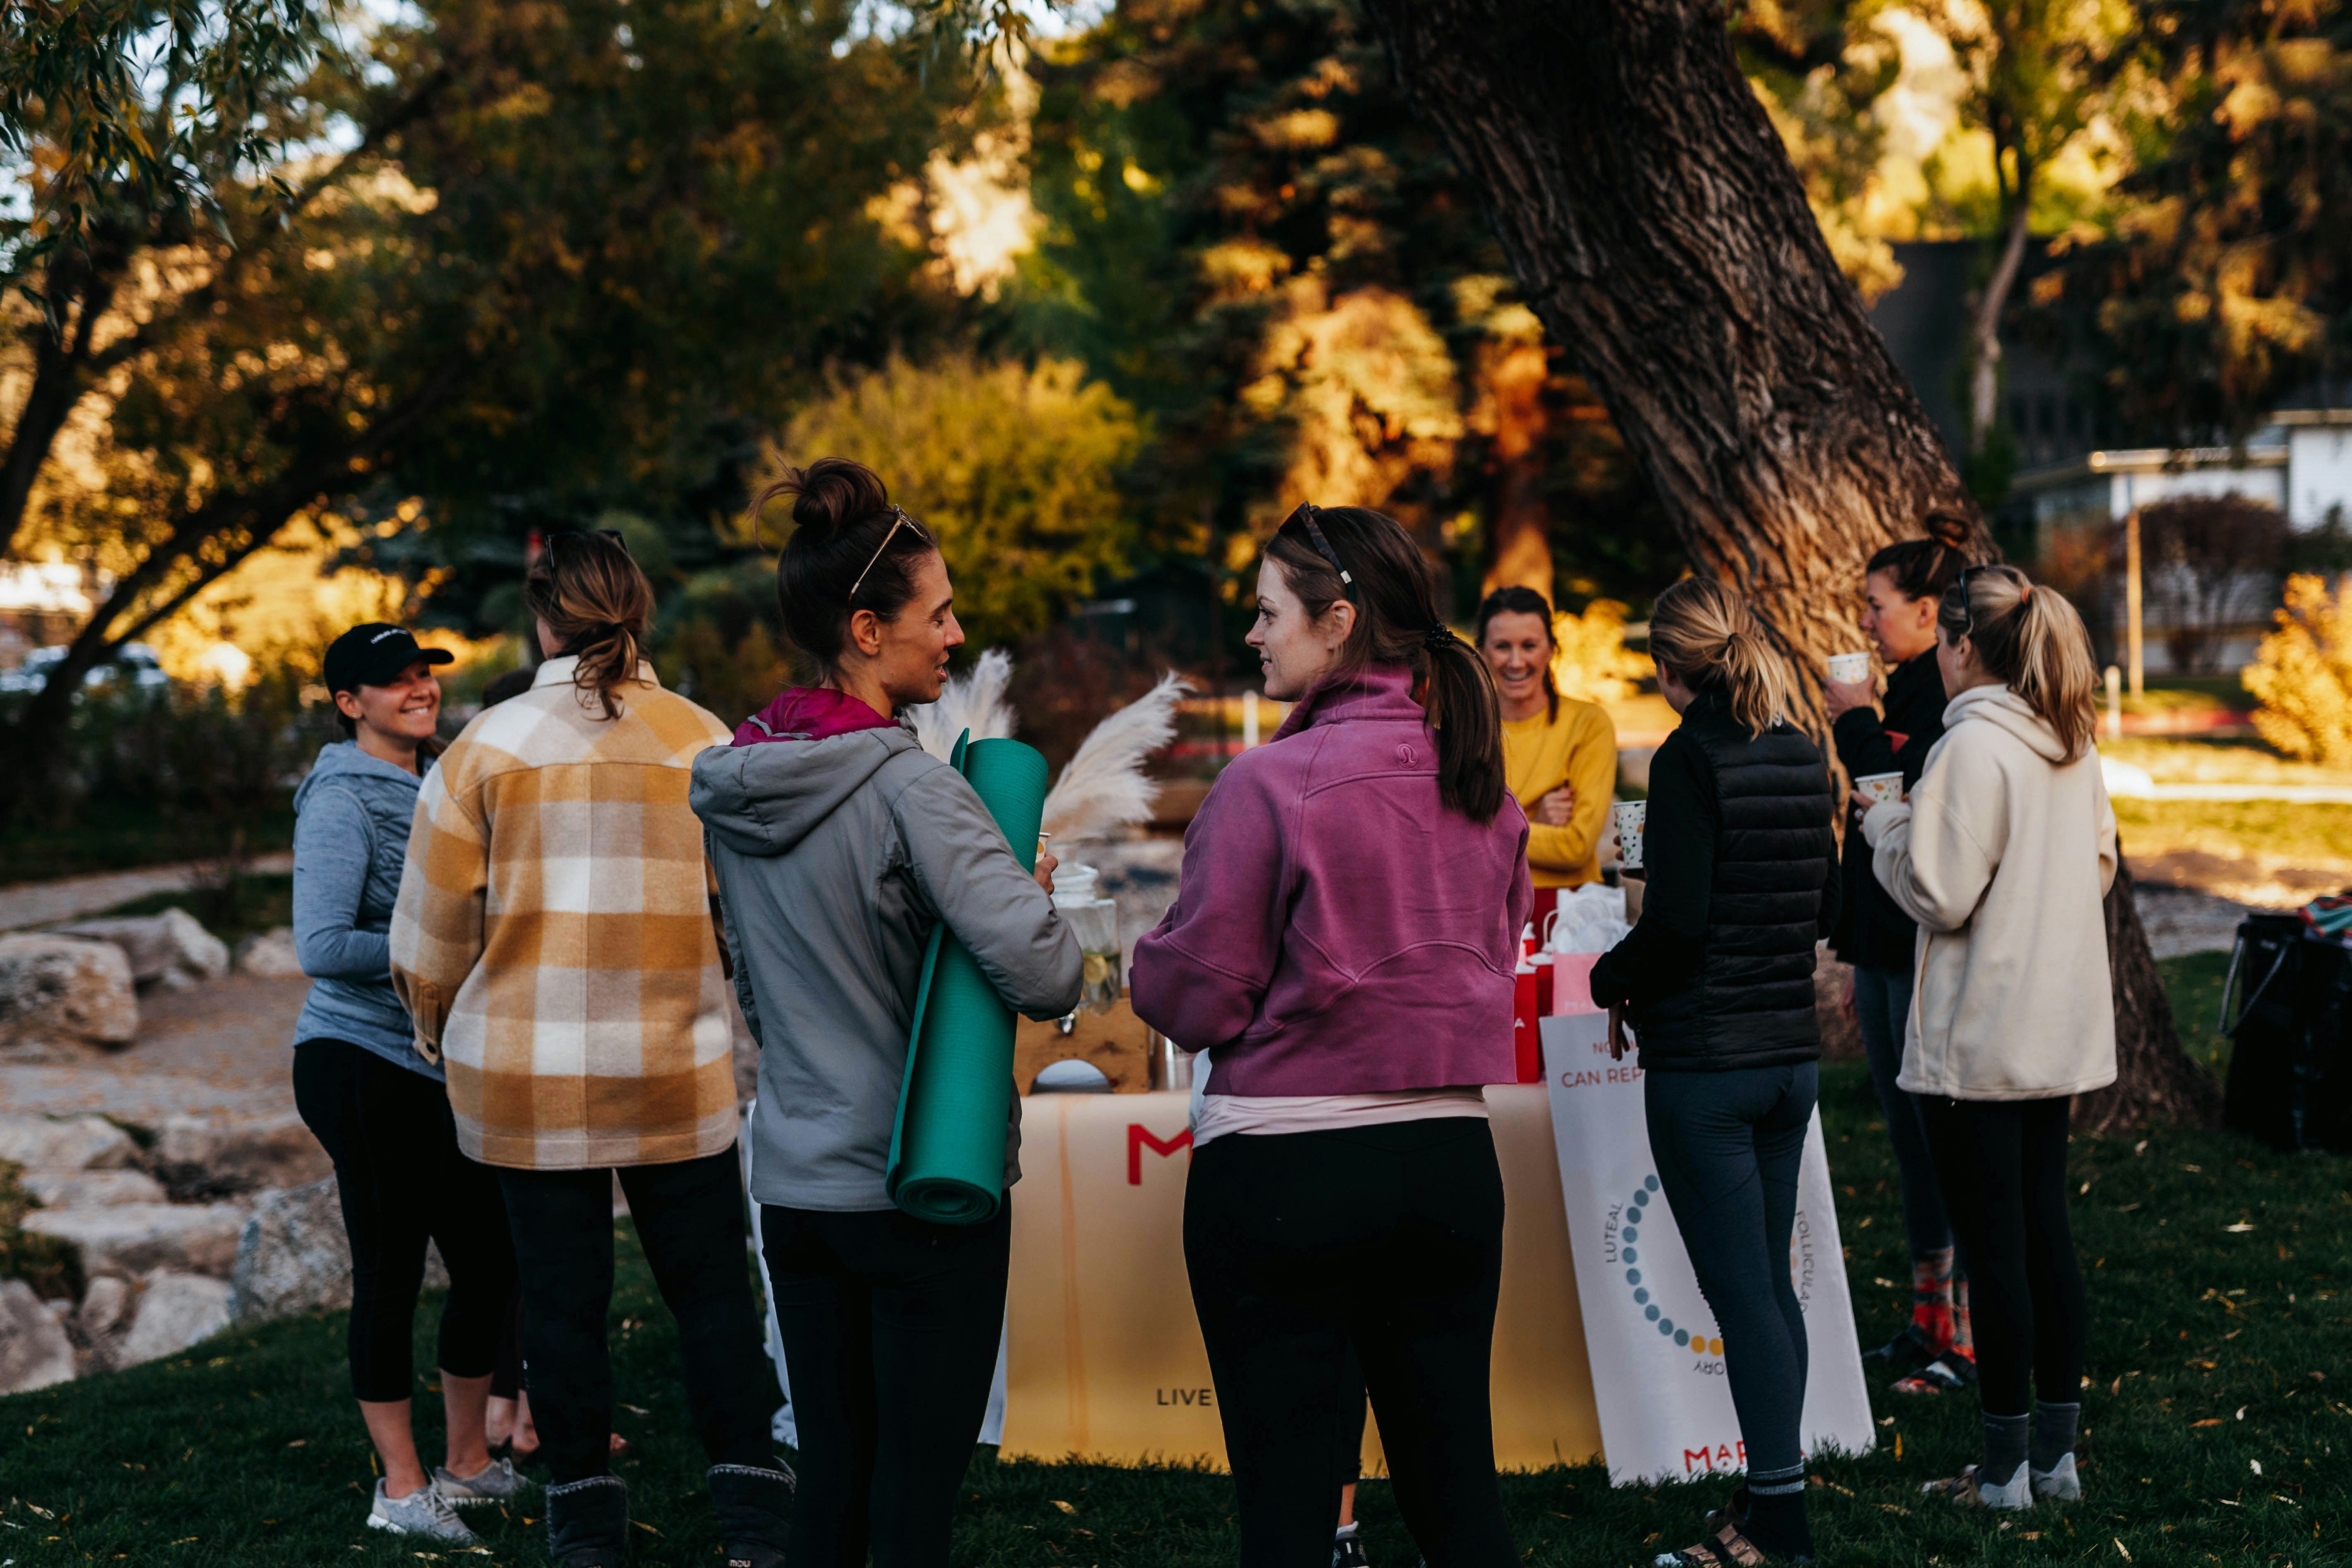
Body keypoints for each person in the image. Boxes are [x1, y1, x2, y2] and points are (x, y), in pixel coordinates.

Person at [692, 458, 1081, 1568]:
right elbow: (1048, 973)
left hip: (798, 1182)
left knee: (835, 1479)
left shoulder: (735, 779)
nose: (955, 635)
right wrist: (1031, 889)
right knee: (911, 1495)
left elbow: (753, 982)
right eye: (938, 612)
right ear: (866, 628)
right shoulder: (914, 787)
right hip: (919, 1182)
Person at [1132, 503, 1531, 1568]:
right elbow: (1496, 953)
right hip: (1446, 1164)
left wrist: (1143, 961)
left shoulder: (1266, 784)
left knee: (1288, 1511)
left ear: (1338, 621)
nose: (1253, 635)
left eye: (1267, 613)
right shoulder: (1481, 785)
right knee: (1458, 1495)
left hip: (1282, 1172)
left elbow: (1200, 1000)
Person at [390, 531, 789, 1568]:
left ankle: (585, 1525)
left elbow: (427, 940)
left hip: (527, 1075)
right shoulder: (705, 740)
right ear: (639, 613)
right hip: (676, 1063)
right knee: (710, 1291)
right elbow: (748, 917)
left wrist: (437, 1031)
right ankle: (752, 1515)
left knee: (561, 1305)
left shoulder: (486, 746)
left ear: (542, 617)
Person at [1587, 577, 1840, 1567]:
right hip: (1786, 1059)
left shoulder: (1690, 757)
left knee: (1742, 1296)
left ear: (1667, 664)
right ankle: (1764, 1490)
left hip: (1707, 1066)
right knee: (1765, 1290)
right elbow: (1820, 903)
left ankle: (1778, 1522)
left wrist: (1611, 976)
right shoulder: (1795, 748)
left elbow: (1678, 919)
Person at [1861, 564, 2115, 1510]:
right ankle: (2054, 1459)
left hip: (1978, 1037)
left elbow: (1937, 891)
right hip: (2051, 1027)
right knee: (2043, 1235)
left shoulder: (1968, 750)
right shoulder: (2067, 737)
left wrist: (1887, 824)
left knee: (1992, 1250)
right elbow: (2094, 863)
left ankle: (2002, 1475)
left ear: (1961, 643)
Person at [290, 623, 521, 1545]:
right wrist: (447, 949)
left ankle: (467, 1463)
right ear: (351, 703)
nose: (418, 690)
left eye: (423, 675)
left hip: (429, 1063)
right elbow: (320, 947)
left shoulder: (436, 779)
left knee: (489, 1259)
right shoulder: (343, 799)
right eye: (394, 682)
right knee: (388, 1274)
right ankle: (401, 1486)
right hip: (357, 1063)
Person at [1822, 517, 1978, 1393]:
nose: (1869, 623)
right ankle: (1927, 1322)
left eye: (1878, 607)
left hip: (1923, 948)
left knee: (1937, 1139)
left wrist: (1857, 723)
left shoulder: (1936, 704)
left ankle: (1964, 1334)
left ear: (1928, 611)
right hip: (1881, 948)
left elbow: (1896, 800)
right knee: (1906, 1142)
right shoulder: (1902, 692)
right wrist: (1853, 955)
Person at [1477, 586, 1619, 923]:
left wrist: (1487, 828)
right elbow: (1446, 842)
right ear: (1481, 651)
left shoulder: (1588, 724)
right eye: (1502, 647)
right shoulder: (1461, 727)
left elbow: (1576, 846)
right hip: (1486, 905)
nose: (1516, 661)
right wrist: (1531, 822)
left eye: (1529, 646)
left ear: (1551, 650)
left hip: (1569, 910)